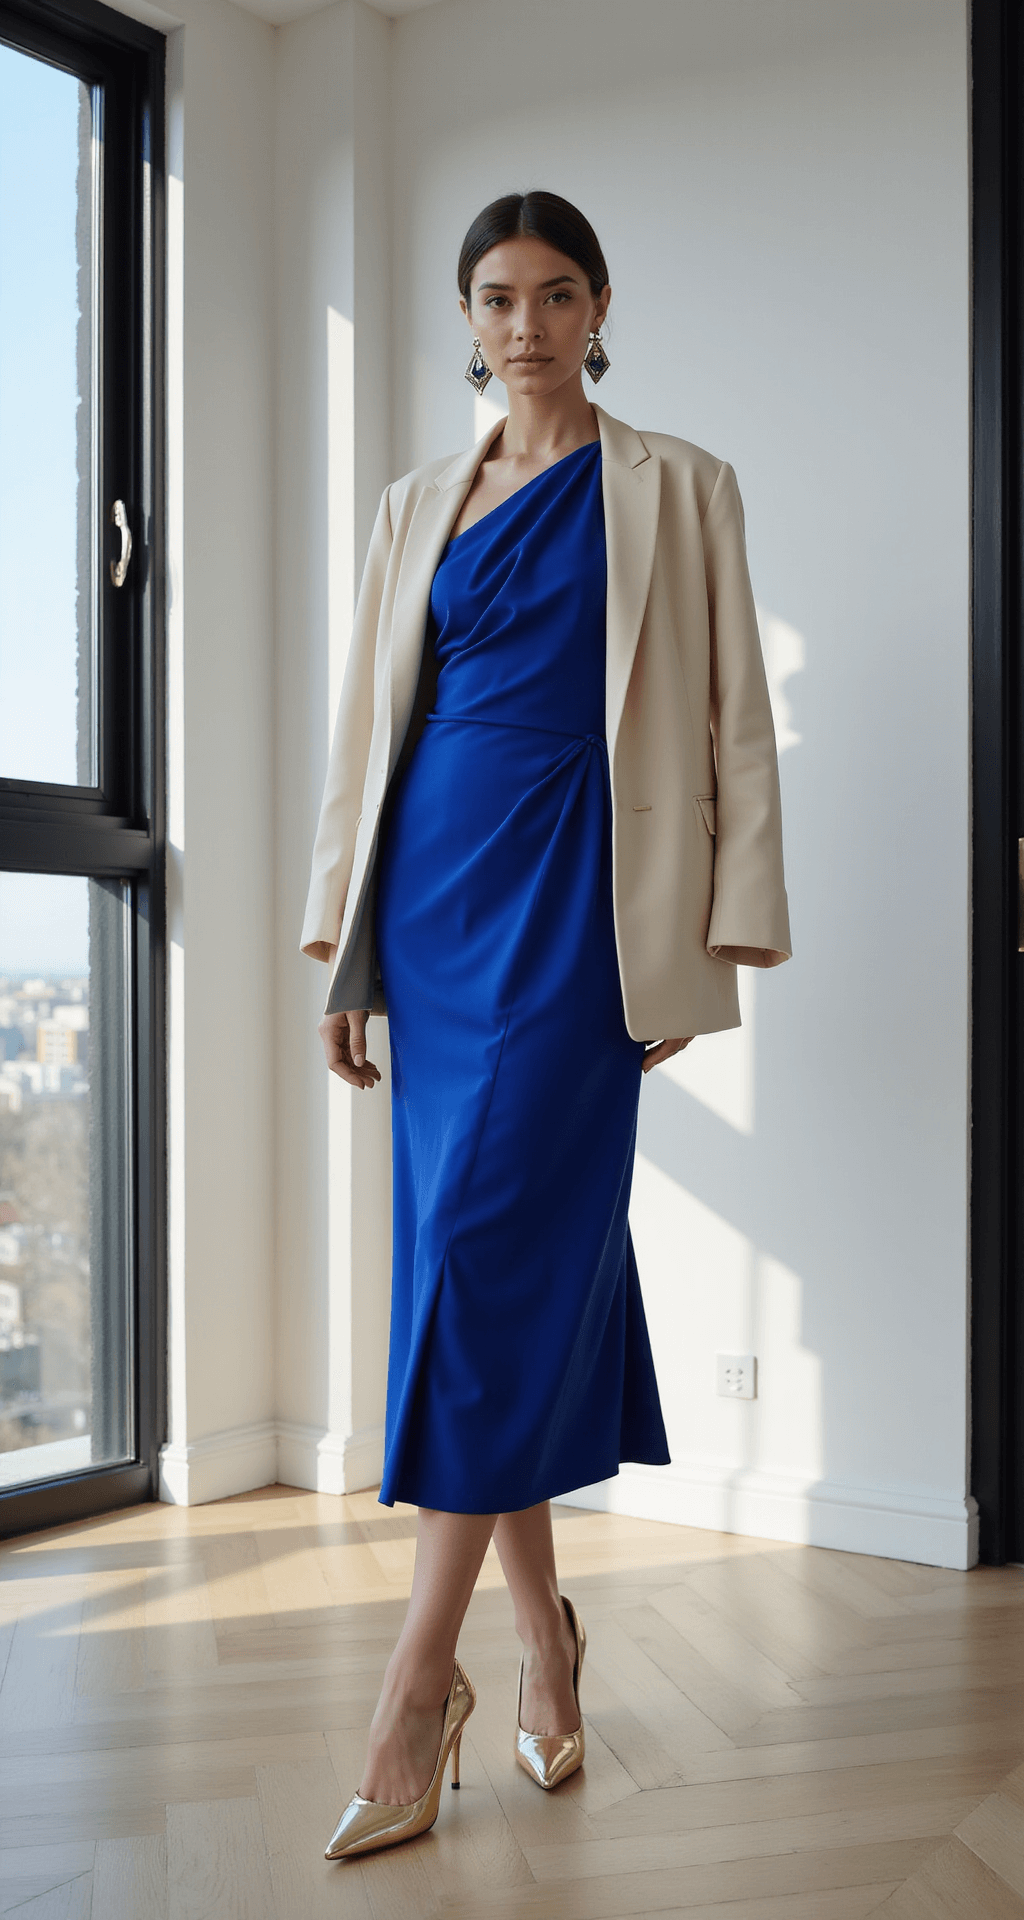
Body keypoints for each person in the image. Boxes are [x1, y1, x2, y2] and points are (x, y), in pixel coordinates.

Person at [301, 190, 791, 1862]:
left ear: (598, 308)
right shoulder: (413, 506)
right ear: (468, 316)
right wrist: (348, 952)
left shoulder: (681, 486)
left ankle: (414, 1680)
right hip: (435, 900)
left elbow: (732, 717)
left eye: (558, 293)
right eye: (499, 296)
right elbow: (372, 732)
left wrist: (718, 941)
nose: (527, 322)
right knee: (471, 1258)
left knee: (491, 1253)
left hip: (591, 905)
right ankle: (545, 1642)